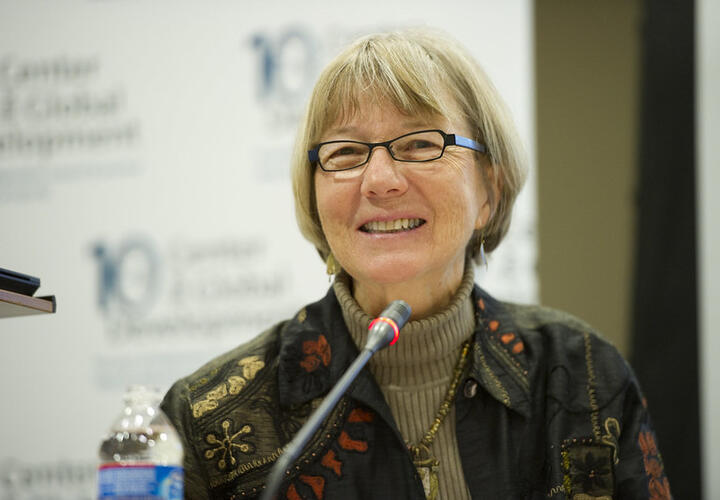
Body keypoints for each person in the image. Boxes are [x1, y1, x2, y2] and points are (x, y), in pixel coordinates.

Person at [161, 29, 671, 499]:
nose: (380, 179)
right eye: (344, 153)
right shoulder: (209, 421)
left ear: (488, 191)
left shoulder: (581, 375)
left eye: (420, 144)